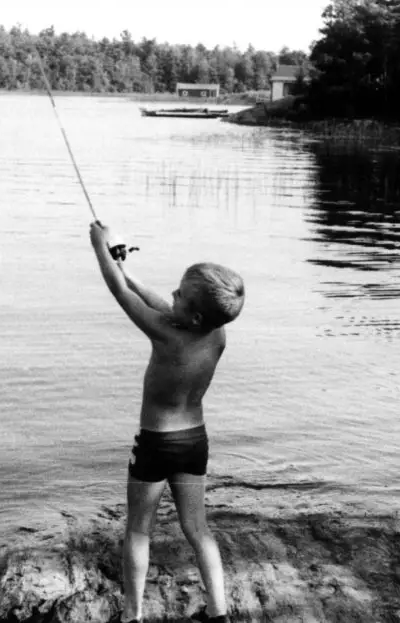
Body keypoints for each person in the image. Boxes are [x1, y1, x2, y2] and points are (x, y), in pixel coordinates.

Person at [88, 221, 245, 623]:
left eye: (179, 293)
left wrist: (100, 249)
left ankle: (132, 615)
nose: (171, 294)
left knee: (139, 530)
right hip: (194, 442)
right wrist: (130, 270)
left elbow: (119, 293)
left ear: (193, 315)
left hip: (156, 444)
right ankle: (218, 611)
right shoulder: (216, 333)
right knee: (198, 528)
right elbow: (168, 308)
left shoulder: (165, 333)